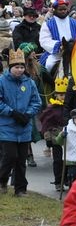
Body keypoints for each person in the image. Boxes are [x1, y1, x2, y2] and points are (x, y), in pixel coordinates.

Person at [0, 49, 42, 196]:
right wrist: (11, 112)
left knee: (21, 159)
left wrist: (28, 114)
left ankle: (20, 189)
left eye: (21, 67)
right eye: (16, 67)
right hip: (7, 126)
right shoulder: (2, 81)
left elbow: (36, 102)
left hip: (24, 126)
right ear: (10, 67)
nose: (19, 70)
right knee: (10, 156)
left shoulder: (29, 82)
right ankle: (2, 179)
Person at [39, 0, 76, 72]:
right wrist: (59, 46)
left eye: (65, 9)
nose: (63, 11)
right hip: (56, 54)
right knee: (48, 65)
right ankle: (49, 83)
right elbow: (44, 40)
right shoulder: (47, 24)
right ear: (55, 10)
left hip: (75, 52)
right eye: (60, 9)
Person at [39, 76, 68, 191]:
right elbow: (45, 122)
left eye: (65, 94)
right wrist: (49, 135)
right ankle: (58, 181)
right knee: (57, 160)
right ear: (56, 95)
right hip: (56, 138)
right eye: (61, 95)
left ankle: (67, 179)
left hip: (69, 137)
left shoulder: (69, 106)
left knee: (68, 160)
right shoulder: (51, 108)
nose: (63, 97)